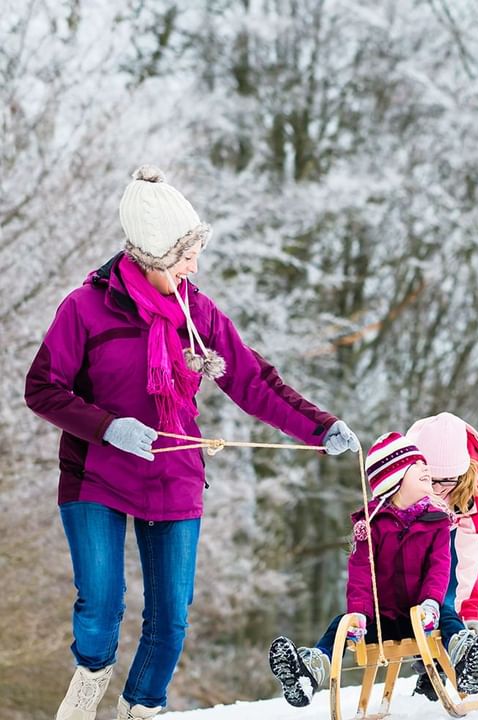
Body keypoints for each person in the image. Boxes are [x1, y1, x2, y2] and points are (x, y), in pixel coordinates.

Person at [24, 166, 361, 720]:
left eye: (195, 253)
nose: (193, 267)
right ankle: (91, 677)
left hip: (171, 474)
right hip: (96, 474)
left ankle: (139, 709)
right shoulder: (84, 309)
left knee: (171, 617)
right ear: (151, 255)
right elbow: (42, 388)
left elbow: (253, 381)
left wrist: (320, 426)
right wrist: (108, 427)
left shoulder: (196, 313)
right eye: (183, 255)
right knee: (102, 605)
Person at [268, 431, 452, 707]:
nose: (426, 468)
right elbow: (361, 574)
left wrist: (431, 603)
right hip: (381, 620)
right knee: (340, 624)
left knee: (449, 617)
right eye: (416, 465)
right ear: (395, 479)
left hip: (423, 616)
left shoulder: (436, 521)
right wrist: (359, 613)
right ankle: (311, 670)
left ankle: (466, 656)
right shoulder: (371, 526)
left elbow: (439, 568)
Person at [405, 412, 478, 695]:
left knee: (451, 592)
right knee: (425, 591)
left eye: (446, 481)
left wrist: (472, 610)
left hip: (468, 532)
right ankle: (430, 660)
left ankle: (464, 650)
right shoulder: (403, 470)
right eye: (431, 480)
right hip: (420, 530)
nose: (438, 489)